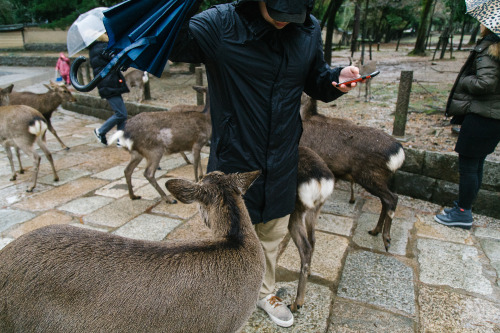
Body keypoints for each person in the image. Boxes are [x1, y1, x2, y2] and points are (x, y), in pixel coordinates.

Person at [169, 0, 359, 327]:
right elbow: (174, 44)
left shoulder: (308, 27)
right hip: (234, 159)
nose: (286, 22)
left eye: (294, 15)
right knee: (228, 236)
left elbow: (315, 77)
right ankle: (224, 293)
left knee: (271, 234)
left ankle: (263, 290)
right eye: (278, 13)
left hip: (283, 157)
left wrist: (334, 80)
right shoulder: (220, 24)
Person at [435, 23, 500, 230]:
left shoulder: (490, 49)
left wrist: (464, 81)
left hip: (482, 116)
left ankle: (462, 213)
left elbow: (485, 83)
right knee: (477, 164)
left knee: (469, 166)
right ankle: (464, 208)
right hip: (493, 117)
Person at [88, 33, 130, 146]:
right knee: (121, 114)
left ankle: (120, 140)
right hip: (109, 84)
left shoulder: (96, 49)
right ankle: (100, 131)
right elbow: (115, 58)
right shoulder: (101, 48)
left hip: (110, 83)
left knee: (121, 113)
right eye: (106, 33)